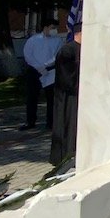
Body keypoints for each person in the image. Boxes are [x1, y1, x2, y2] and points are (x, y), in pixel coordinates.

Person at [21, 19, 62, 130]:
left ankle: (51, 122)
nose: (54, 30)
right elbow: (28, 55)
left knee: (51, 98)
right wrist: (38, 67)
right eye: (52, 27)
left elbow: (57, 55)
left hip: (50, 71)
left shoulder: (57, 41)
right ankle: (30, 121)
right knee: (32, 97)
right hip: (34, 71)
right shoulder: (33, 40)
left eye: (55, 28)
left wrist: (46, 65)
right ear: (45, 27)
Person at [50, 29, 81, 166]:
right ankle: (65, 156)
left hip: (77, 96)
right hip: (68, 97)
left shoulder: (84, 49)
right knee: (68, 125)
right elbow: (66, 75)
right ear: (78, 34)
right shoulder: (67, 51)